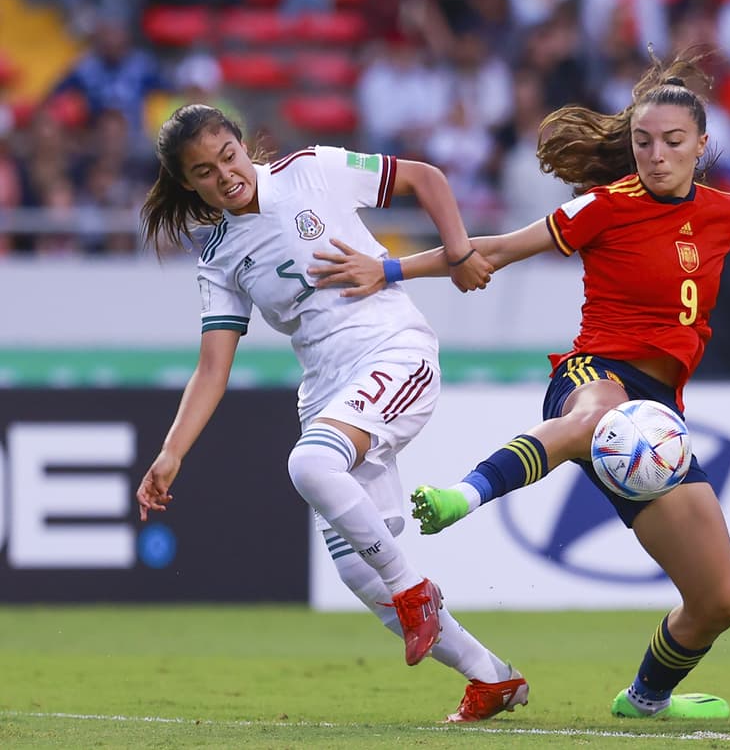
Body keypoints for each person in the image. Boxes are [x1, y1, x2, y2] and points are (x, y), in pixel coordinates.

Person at [306, 52, 730, 720]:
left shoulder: (722, 212)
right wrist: (388, 268)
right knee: (598, 419)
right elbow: (498, 247)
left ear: (702, 146)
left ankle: (646, 696)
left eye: (673, 142)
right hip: (592, 375)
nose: (656, 155)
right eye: (644, 142)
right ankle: (463, 494)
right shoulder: (606, 205)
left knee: (719, 599)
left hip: (659, 419)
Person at [133, 104, 529, 724]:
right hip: (325, 389)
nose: (224, 176)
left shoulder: (311, 169)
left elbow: (425, 177)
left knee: (311, 464)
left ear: (243, 145)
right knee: (359, 574)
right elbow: (213, 368)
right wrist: (171, 451)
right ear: (189, 184)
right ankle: (491, 676)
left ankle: (414, 593)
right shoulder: (217, 255)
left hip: (394, 350)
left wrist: (457, 254)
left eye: (228, 157)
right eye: (205, 172)